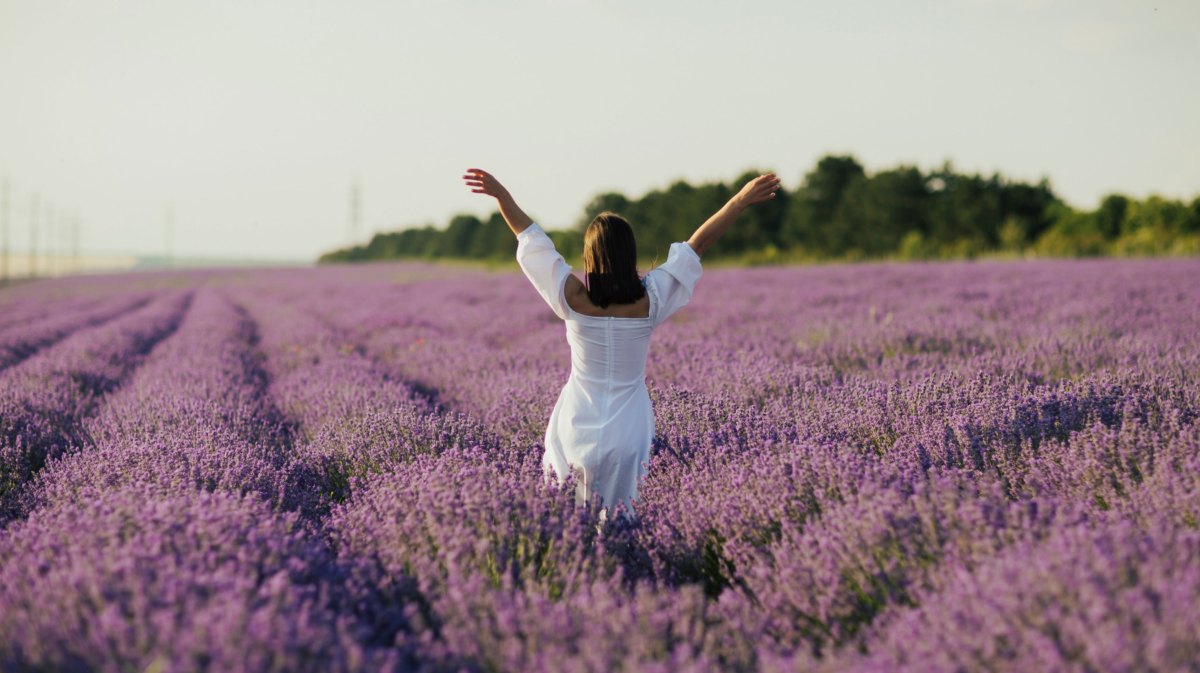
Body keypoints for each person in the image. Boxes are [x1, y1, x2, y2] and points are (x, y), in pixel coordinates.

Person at [463, 167, 782, 519]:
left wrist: (502, 197)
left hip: (575, 425)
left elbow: (532, 240)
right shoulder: (650, 300)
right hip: (629, 427)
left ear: (590, 256)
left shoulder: (573, 299)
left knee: (569, 519)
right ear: (629, 252)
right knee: (624, 520)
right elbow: (698, 245)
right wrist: (739, 200)